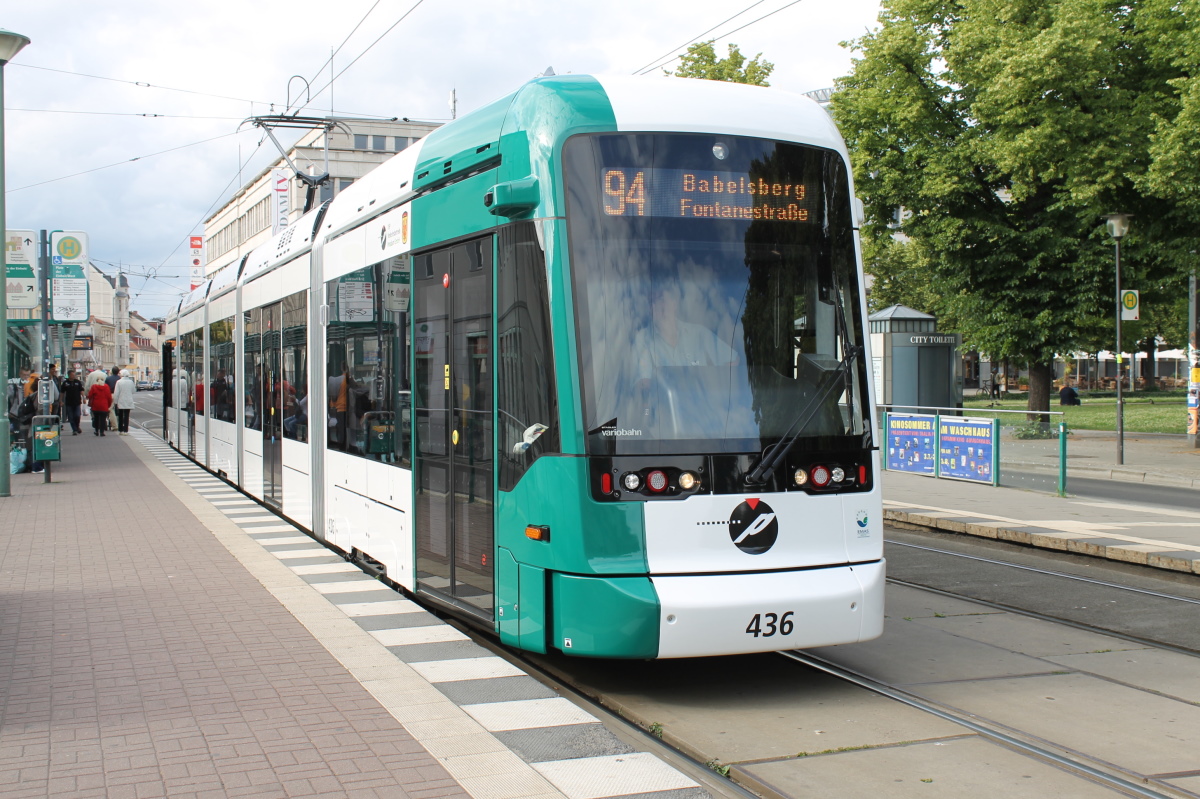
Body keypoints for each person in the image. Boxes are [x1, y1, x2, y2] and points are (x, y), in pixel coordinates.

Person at [60, 369, 85, 435]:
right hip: (69, 402)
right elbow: (62, 392)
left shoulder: (78, 382)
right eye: (72, 375)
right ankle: (74, 430)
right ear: (69, 375)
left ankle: (77, 426)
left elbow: (81, 390)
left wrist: (84, 398)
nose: (73, 376)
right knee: (71, 417)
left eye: (74, 375)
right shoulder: (65, 383)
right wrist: (61, 400)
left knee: (77, 415)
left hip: (77, 402)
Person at [113, 369, 136, 435]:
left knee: (120, 415)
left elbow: (116, 393)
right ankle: (126, 430)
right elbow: (134, 391)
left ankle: (121, 430)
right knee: (126, 416)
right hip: (128, 400)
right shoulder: (131, 382)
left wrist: (115, 402)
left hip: (121, 400)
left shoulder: (119, 382)